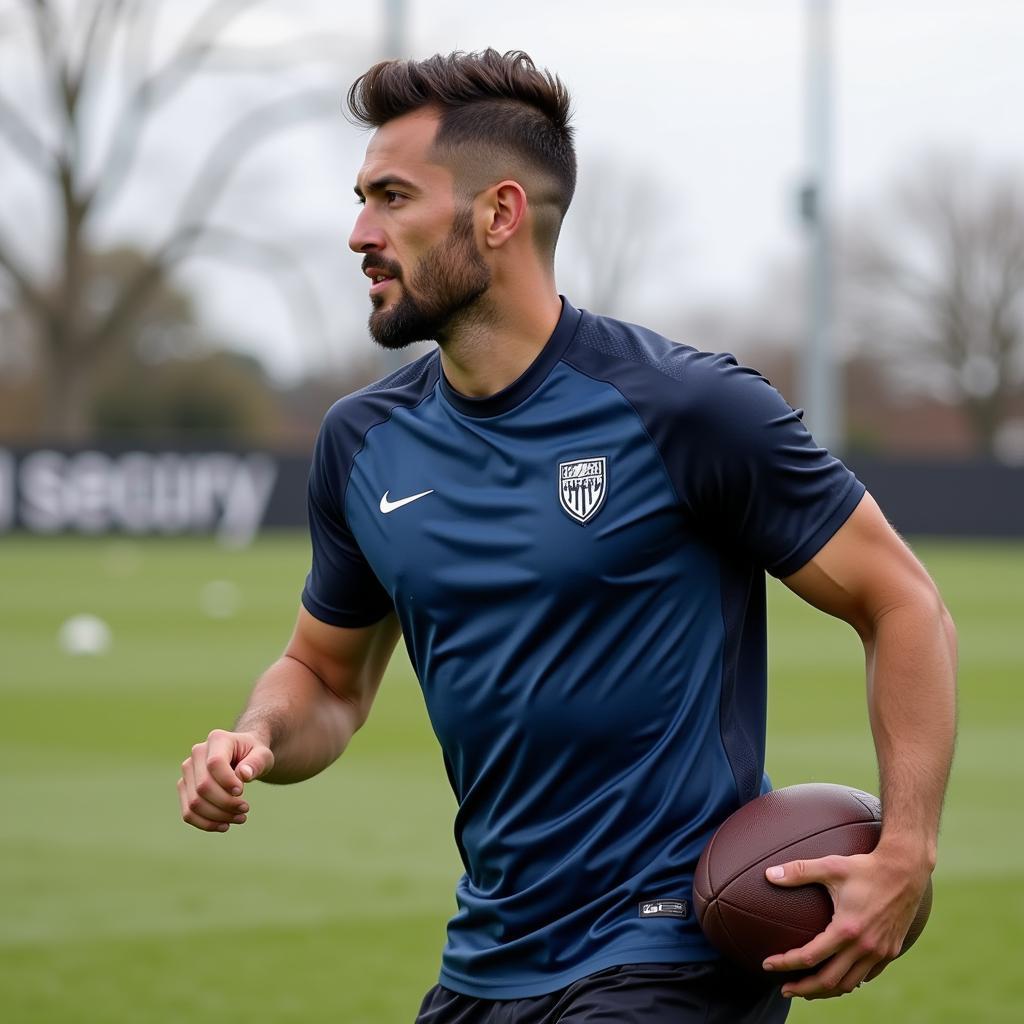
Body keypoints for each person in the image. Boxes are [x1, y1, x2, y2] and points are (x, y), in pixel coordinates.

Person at [177, 49, 958, 1023]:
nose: (358, 234)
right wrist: (253, 737)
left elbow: (902, 601)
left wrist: (908, 849)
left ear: (499, 214)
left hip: (666, 957)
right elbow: (326, 680)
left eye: (390, 198)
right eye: (359, 198)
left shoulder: (686, 408)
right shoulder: (359, 443)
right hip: (484, 962)